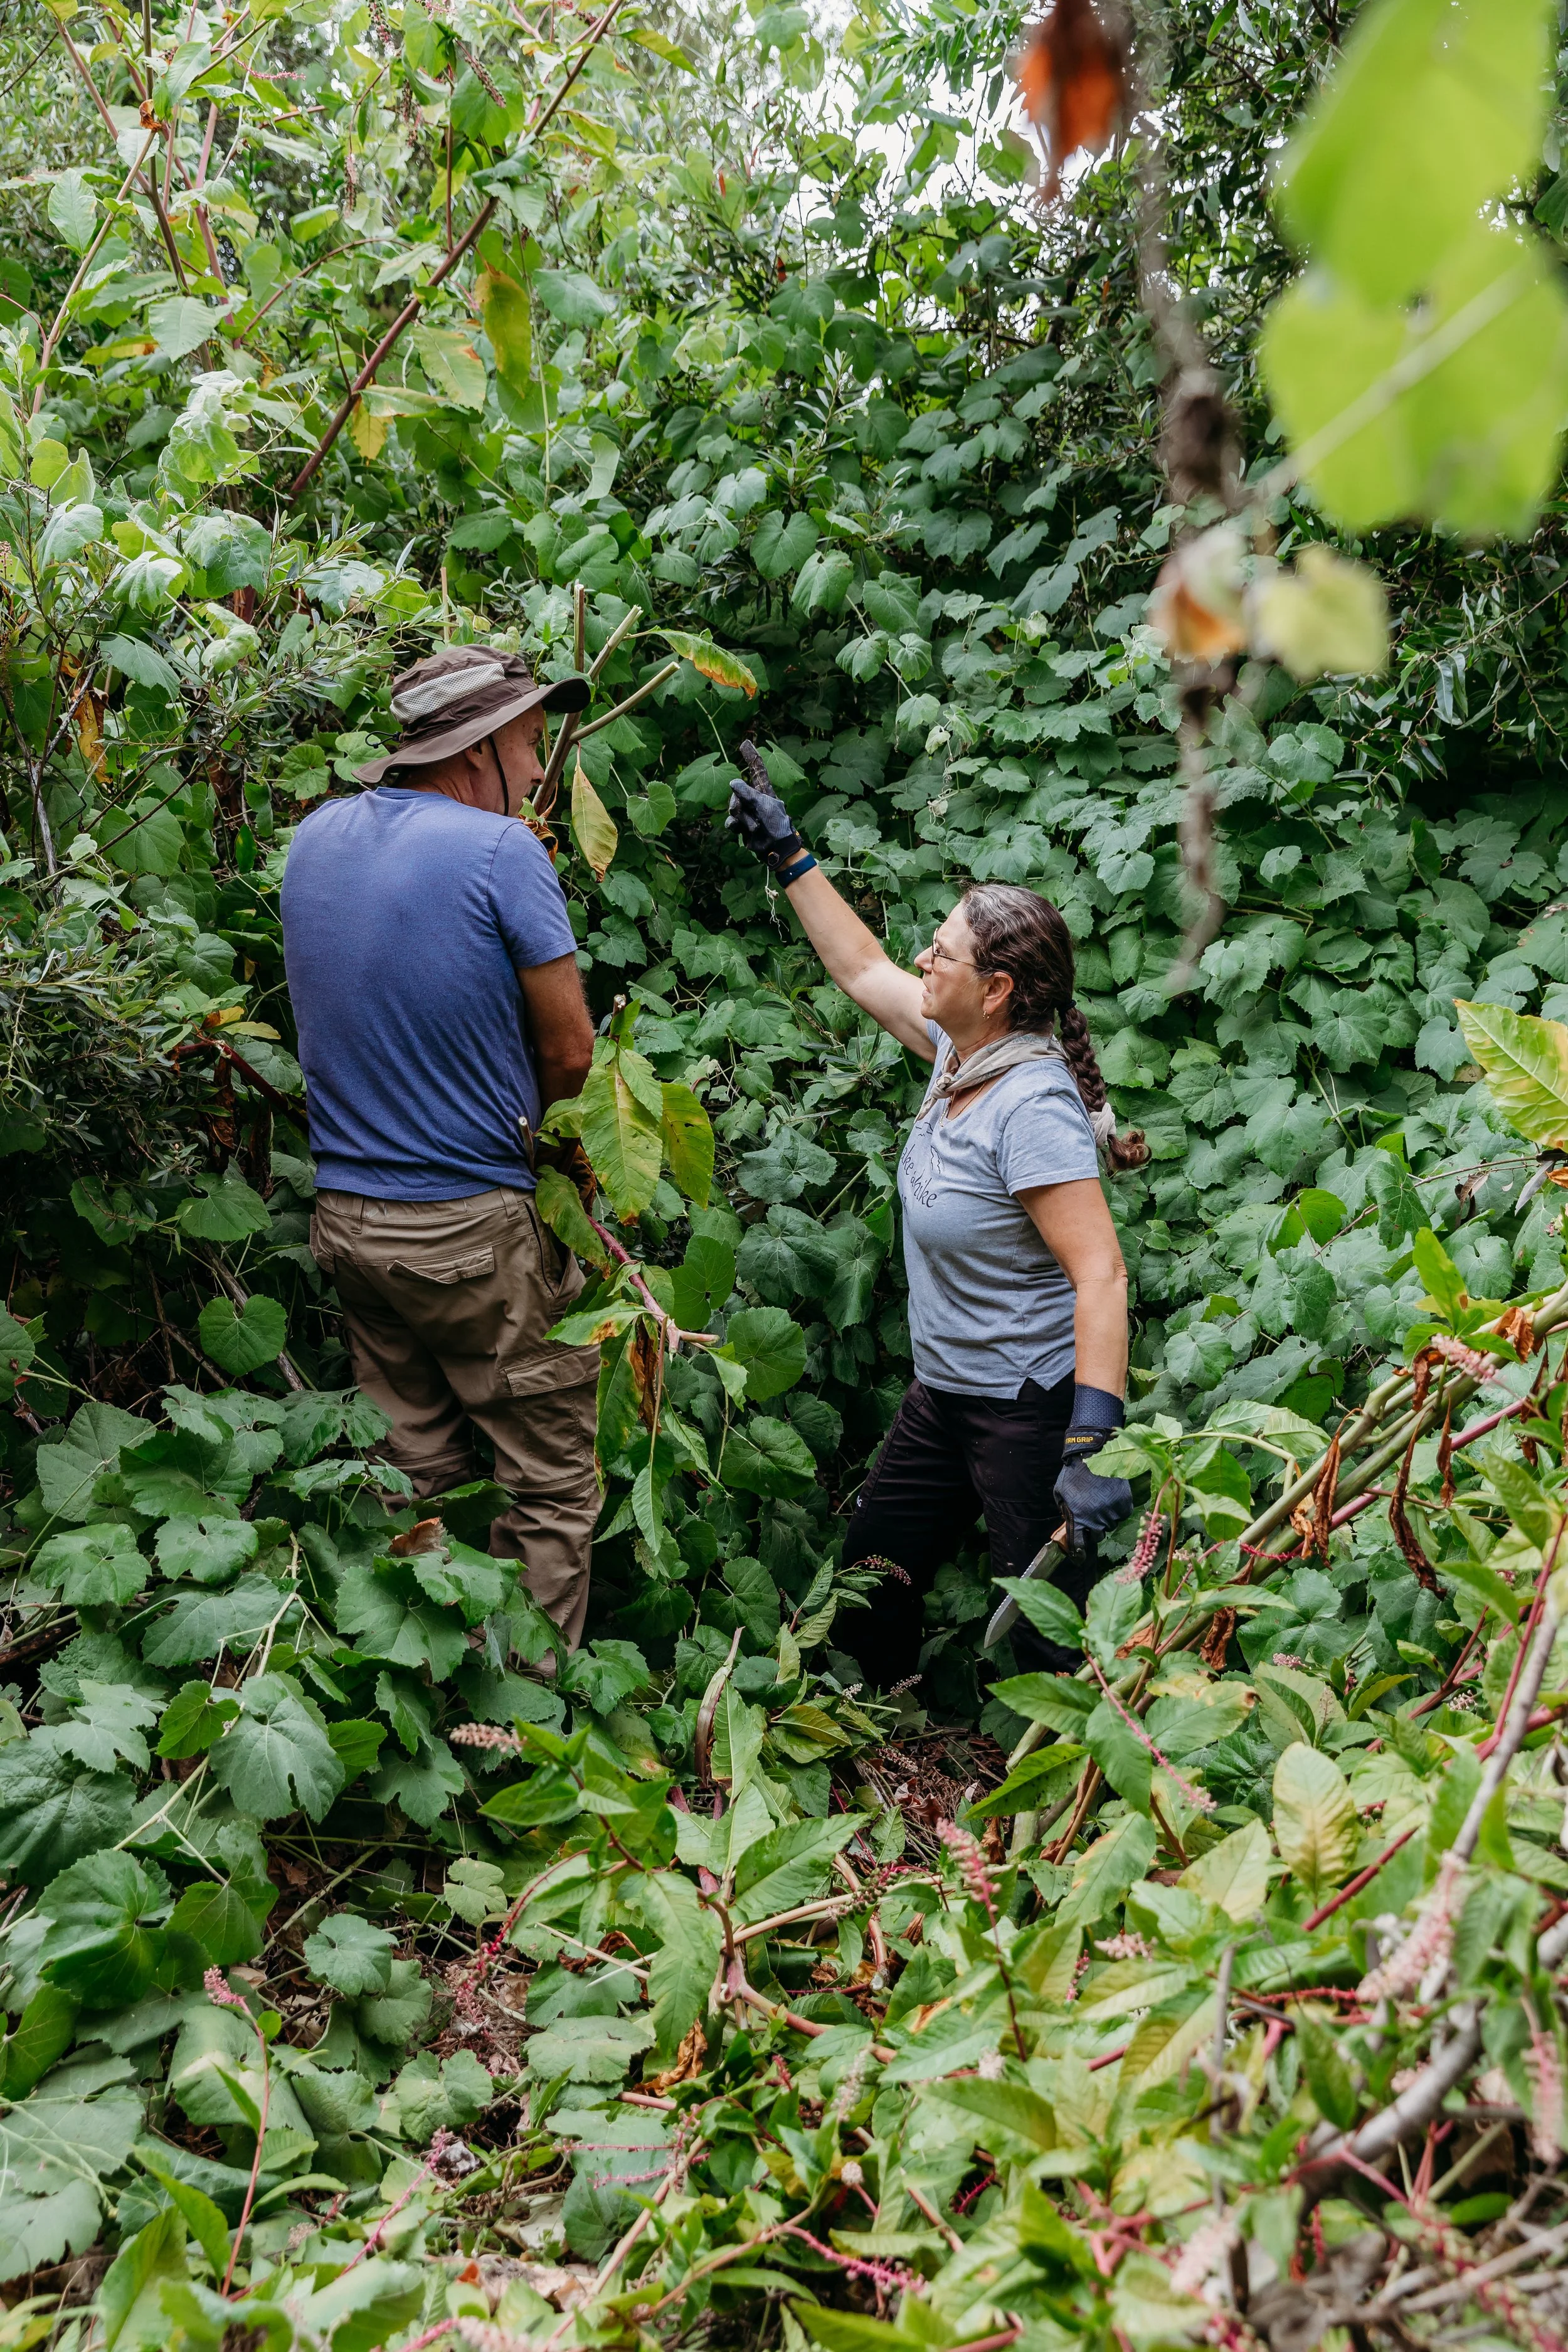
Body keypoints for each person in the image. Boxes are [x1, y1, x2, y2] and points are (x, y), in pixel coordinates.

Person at [724, 767, 1148, 1692]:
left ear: (996, 989)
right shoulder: (962, 1052)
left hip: (1026, 1407)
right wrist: (789, 853)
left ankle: (1079, 1769)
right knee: (871, 1586)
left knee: (1049, 1639)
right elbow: (860, 967)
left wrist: (1092, 1441)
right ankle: (883, 1728)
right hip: (946, 1391)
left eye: (942, 953)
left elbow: (1101, 1274)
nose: (923, 957)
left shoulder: (1030, 1107)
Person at [282, 645, 601, 1649]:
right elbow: (571, 1050)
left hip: (349, 1223)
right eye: (532, 742)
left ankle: (422, 1675)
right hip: (470, 1229)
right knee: (550, 1483)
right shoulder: (504, 853)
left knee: (414, 1470)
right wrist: (545, 1149)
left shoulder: (313, 839)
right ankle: (523, 1710)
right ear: (479, 747)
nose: (540, 768)